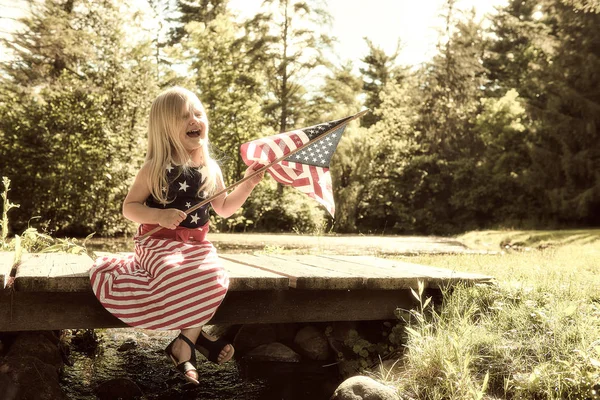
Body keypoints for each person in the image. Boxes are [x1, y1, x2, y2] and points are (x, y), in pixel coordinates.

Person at [89, 86, 264, 385]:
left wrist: (246, 185)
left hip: (197, 247)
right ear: (165, 128)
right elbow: (129, 208)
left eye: (198, 113)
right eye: (184, 117)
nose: (194, 119)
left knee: (213, 274)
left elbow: (223, 208)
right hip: (157, 244)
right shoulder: (155, 168)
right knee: (173, 272)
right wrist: (159, 216)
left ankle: (184, 343)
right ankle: (197, 341)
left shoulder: (211, 169)